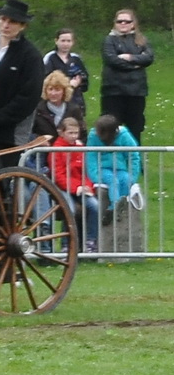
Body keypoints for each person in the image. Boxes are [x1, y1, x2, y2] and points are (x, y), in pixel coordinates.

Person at [0, 0, 44, 155]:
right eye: (3, 19)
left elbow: (29, 97)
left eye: (12, 22)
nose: (6, 25)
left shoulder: (30, 56)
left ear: (22, 26)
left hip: (8, 132)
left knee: (0, 170)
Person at [100, 8, 153, 142]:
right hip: (113, 91)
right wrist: (136, 65)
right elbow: (112, 60)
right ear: (115, 23)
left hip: (136, 92)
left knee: (135, 128)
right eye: (120, 21)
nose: (123, 24)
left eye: (127, 21)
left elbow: (149, 58)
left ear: (133, 23)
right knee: (110, 127)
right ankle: (111, 154)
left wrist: (129, 57)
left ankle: (134, 155)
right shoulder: (109, 40)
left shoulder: (142, 40)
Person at [48, 115, 99, 253]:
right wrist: (76, 187)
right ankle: (66, 244)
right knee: (69, 209)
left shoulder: (80, 147)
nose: (73, 136)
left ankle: (90, 241)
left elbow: (86, 171)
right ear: (61, 132)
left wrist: (87, 186)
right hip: (63, 187)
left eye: (76, 133)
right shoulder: (56, 150)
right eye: (70, 133)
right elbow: (58, 175)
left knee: (95, 206)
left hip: (80, 186)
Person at [87, 114, 142, 220]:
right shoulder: (93, 136)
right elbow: (91, 157)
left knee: (126, 180)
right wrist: (95, 176)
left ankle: (121, 207)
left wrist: (133, 177)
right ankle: (115, 206)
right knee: (113, 180)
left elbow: (134, 156)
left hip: (120, 169)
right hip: (102, 169)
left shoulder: (124, 136)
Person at [31, 71, 86, 142]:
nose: (53, 93)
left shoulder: (74, 110)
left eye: (57, 90)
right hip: (44, 148)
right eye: (50, 89)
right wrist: (39, 140)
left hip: (68, 148)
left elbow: (82, 134)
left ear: (64, 91)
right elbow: (29, 133)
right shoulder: (38, 110)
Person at [43, 29, 88, 96]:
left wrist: (79, 81)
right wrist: (67, 84)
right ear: (56, 41)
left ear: (73, 42)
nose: (65, 44)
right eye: (63, 41)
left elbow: (84, 77)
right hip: (55, 96)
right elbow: (45, 78)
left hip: (75, 96)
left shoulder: (76, 58)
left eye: (68, 41)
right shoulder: (50, 57)